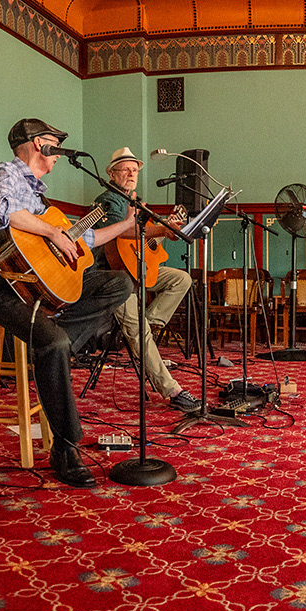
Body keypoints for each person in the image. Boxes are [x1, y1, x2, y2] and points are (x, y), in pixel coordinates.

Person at [0, 119, 135, 487]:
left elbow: (84, 239)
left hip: (40, 287)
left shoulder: (40, 198)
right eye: (54, 144)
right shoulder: (5, 173)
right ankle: (64, 448)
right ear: (37, 145)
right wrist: (52, 232)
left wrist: (124, 226)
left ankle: (56, 345)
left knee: (120, 282)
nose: (59, 153)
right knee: (54, 342)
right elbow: (3, 212)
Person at [91, 147, 201, 412]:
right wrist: (163, 228)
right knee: (138, 330)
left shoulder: (138, 203)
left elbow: (146, 240)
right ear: (111, 173)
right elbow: (122, 233)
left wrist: (166, 230)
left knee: (181, 279)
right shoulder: (108, 199)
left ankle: (147, 328)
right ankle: (172, 390)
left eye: (135, 170)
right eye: (125, 169)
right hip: (112, 276)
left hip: (136, 269)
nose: (131, 173)